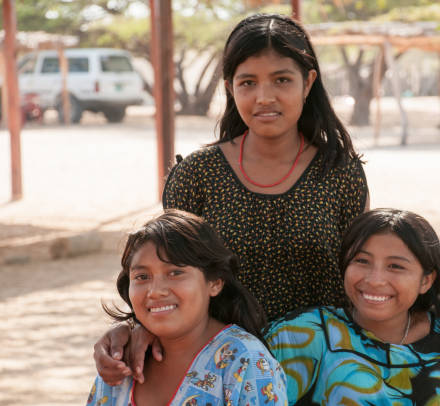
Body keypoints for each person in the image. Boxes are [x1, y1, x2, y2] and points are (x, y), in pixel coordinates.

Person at [94, 12, 368, 385]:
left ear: (308, 83)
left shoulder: (340, 173)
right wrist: (133, 326)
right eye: (248, 82)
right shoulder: (196, 175)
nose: (264, 97)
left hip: (324, 370)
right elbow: (167, 271)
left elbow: (362, 277)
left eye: (282, 80)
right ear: (229, 86)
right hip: (220, 374)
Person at [264, 208, 440, 405]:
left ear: (426, 280)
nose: (374, 280)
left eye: (396, 266)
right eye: (362, 261)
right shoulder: (302, 336)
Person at [86, 210, 287, 406]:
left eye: (175, 273)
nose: (155, 291)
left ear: (215, 282)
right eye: (142, 277)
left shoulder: (245, 362)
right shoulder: (118, 363)